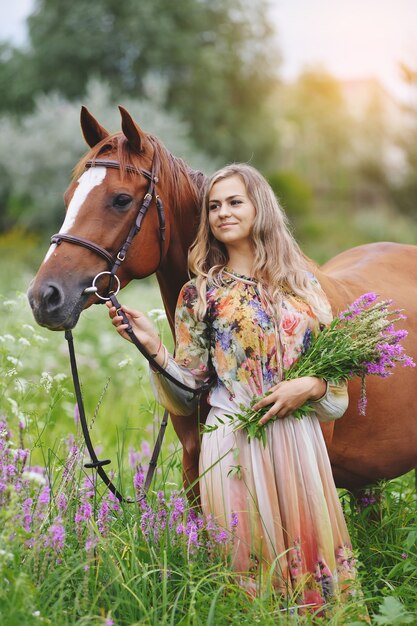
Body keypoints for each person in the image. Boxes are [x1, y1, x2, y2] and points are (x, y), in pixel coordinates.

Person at [107, 164, 359, 612]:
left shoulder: (304, 289)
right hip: (233, 441)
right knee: (247, 578)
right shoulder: (199, 294)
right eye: (214, 206)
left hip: (299, 444)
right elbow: (188, 392)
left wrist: (310, 385)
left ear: (259, 207)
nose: (223, 213)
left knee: (311, 580)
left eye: (235, 202)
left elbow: (337, 393)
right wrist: (153, 349)